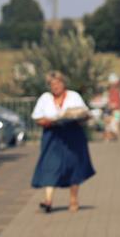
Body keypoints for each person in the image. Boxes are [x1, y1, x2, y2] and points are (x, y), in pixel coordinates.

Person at [31, 71, 95, 212]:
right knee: (50, 164)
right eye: (52, 84)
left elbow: (84, 114)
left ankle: (73, 199)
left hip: (72, 134)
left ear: (63, 83)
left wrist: (77, 116)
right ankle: (48, 200)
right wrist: (49, 121)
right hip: (53, 135)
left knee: (74, 165)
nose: (56, 86)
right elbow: (37, 118)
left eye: (58, 83)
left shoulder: (74, 96)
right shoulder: (45, 98)